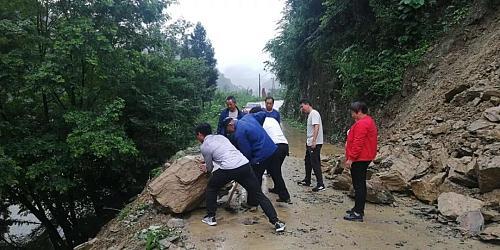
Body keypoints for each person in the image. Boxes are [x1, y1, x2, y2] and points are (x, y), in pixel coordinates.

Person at [195, 123, 286, 232]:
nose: (197, 138)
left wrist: (206, 167)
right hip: (243, 165)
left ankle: (211, 217)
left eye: (197, 136)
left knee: (211, 187)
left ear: (200, 134)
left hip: (229, 169)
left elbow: (209, 168)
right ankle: (276, 222)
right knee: (258, 194)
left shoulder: (204, 146)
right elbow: (224, 154)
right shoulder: (221, 137)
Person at [223, 113, 277, 206]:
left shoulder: (239, 134)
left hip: (261, 154)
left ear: (230, 125)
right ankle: (256, 201)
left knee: (254, 178)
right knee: (260, 175)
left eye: (228, 131)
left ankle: (253, 203)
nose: (229, 133)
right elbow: (262, 114)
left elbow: (246, 154)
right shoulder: (248, 117)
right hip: (272, 148)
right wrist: (258, 129)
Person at [343, 101, 378, 222]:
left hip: (360, 158)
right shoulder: (368, 121)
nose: (351, 114)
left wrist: (351, 159)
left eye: (352, 112)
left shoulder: (362, 124)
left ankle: (358, 213)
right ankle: (357, 208)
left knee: (359, 185)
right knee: (359, 184)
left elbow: (358, 143)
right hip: (364, 157)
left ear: (358, 112)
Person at [249, 107, 291, 203]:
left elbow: (258, 140)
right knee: (275, 171)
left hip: (274, 147)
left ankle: (254, 200)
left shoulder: (258, 122)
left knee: (258, 172)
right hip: (284, 145)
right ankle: (282, 194)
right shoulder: (272, 119)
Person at [297, 99, 325, 192]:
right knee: (308, 161)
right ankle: (307, 180)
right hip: (310, 142)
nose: (301, 109)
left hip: (314, 143)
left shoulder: (314, 113)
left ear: (307, 104)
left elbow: (316, 127)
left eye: (302, 106)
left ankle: (320, 184)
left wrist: (314, 141)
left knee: (315, 163)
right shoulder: (310, 114)